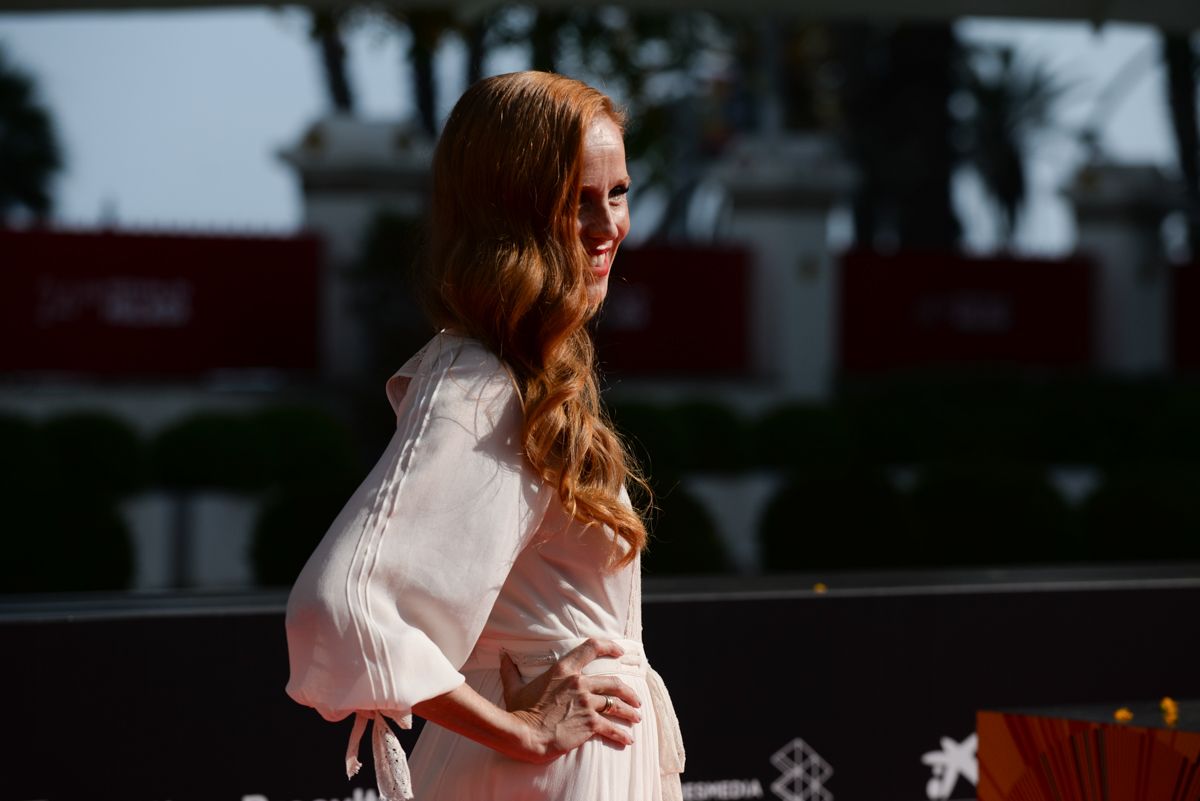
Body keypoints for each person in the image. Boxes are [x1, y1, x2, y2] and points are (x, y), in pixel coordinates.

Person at [284, 71, 685, 801]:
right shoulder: (481, 380)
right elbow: (342, 605)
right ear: (512, 214)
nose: (608, 228)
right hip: (548, 772)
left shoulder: (526, 372)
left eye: (618, 193)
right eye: (575, 202)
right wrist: (523, 731)